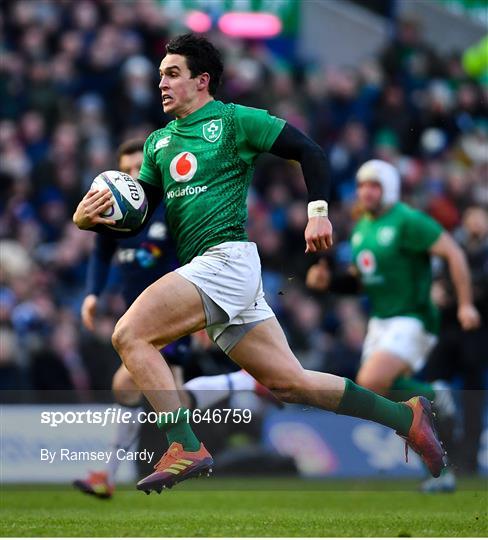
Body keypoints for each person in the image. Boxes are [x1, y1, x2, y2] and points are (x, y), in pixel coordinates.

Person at [73, 33, 448, 494]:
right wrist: (90, 218)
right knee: (291, 383)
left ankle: (183, 444)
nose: (163, 84)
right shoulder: (157, 144)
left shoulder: (233, 122)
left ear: (202, 81)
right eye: (160, 76)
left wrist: (317, 214)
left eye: (173, 74)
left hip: (225, 260)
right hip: (219, 275)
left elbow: (310, 151)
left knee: (129, 334)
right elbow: (139, 218)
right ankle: (404, 415)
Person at [73, 138, 276, 499]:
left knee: (126, 384)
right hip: (140, 316)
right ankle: (244, 382)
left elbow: (194, 258)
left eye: (141, 169)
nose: (135, 177)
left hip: (172, 313)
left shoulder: (169, 210)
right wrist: (92, 294)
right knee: (173, 398)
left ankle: (107, 473)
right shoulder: (116, 213)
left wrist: (201, 317)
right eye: (128, 170)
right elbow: (101, 252)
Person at [306, 159, 481, 491]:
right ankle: (441, 471)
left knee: (370, 382)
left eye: (374, 185)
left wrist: (466, 303)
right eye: (361, 185)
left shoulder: (408, 220)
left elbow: (454, 254)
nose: (366, 191)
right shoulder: (362, 230)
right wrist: (329, 282)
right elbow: (361, 281)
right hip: (381, 322)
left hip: (413, 317)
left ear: (390, 188)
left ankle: (433, 395)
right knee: (387, 396)